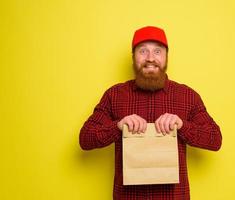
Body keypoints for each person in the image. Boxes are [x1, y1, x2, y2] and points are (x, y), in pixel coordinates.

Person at [79, 26, 222, 200]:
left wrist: (183, 126)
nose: (150, 58)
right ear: (133, 57)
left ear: (166, 57)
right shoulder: (114, 95)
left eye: (157, 51)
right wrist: (117, 127)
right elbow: (85, 139)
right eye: (143, 51)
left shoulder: (187, 96)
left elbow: (215, 139)